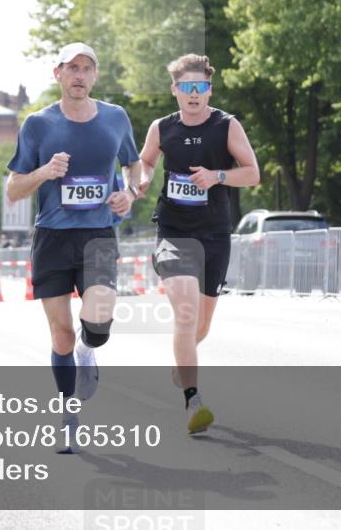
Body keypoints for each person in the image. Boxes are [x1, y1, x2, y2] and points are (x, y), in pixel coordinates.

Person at [6, 42, 141, 453]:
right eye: (72, 68)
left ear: (95, 76)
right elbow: (14, 189)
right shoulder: (38, 125)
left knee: (98, 320)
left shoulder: (116, 118)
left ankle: (89, 350)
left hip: (98, 233)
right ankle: (68, 414)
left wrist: (130, 193)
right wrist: (45, 172)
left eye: (87, 68)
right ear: (58, 74)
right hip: (52, 236)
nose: (79, 75)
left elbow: (133, 165)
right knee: (60, 335)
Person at [137, 54, 260, 434]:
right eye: (186, 87)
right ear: (175, 90)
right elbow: (145, 161)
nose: (194, 94)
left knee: (201, 325)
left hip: (214, 234)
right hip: (173, 231)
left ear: (209, 89)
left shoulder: (226, 126)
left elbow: (252, 174)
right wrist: (140, 180)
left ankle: (183, 360)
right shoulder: (162, 128)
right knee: (186, 310)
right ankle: (193, 401)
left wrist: (218, 175)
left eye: (201, 87)